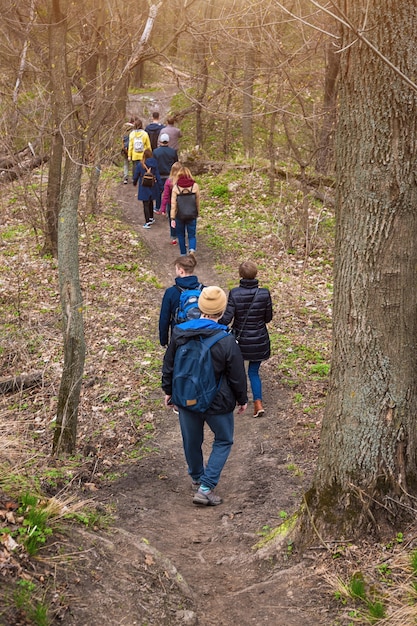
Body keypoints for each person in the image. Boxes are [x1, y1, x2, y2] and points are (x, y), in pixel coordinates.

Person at [162, 286, 248, 506]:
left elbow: (169, 364)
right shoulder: (226, 340)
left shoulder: (180, 332)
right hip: (217, 401)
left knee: (191, 440)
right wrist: (242, 399)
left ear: (200, 307)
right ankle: (206, 487)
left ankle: (197, 477)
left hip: (186, 396)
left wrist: (169, 390)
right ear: (222, 310)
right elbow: (237, 375)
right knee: (224, 439)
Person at [219, 261, 273, 418]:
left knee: (236, 371)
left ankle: (237, 400)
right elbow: (268, 318)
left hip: (240, 340)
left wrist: (213, 321)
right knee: (254, 372)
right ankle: (258, 403)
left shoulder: (235, 293)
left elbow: (227, 318)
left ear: (240, 275)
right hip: (259, 340)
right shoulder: (264, 293)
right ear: (256, 274)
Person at [159, 254, 203, 347]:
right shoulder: (204, 290)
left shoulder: (171, 292)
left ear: (181, 271)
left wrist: (164, 341)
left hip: (179, 337)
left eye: (176, 269)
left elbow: (164, 319)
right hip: (201, 336)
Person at [170, 165, 200, 255]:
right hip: (192, 213)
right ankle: (191, 249)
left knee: (181, 235)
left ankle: (183, 254)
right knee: (192, 235)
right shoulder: (195, 186)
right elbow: (197, 201)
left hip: (180, 215)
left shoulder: (176, 187)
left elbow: (173, 204)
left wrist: (172, 217)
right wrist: (197, 212)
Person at [133, 148, 162, 229]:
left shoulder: (140, 164)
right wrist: (161, 186)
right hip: (153, 185)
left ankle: (147, 221)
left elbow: (136, 175)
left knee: (145, 203)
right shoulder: (155, 164)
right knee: (151, 201)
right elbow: (158, 175)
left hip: (144, 185)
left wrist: (134, 182)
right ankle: (151, 218)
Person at [153, 133, 178, 214]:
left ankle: (157, 207)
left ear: (160, 141)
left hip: (159, 175)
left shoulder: (156, 152)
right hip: (170, 175)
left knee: (158, 192)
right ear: (168, 141)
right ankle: (169, 209)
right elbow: (176, 164)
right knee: (169, 193)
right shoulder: (173, 152)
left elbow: (154, 164)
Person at [160, 161, 182, 245]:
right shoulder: (182, 181)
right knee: (180, 220)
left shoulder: (169, 181)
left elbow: (165, 195)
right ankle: (181, 235)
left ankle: (173, 237)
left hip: (171, 204)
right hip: (181, 204)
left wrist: (163, 208)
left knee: (172, 220)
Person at [121, 119, 134, 183]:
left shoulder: (124, 130)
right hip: (132, 149)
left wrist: (123, 148)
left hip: (125, 149)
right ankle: (134, 177)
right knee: (134, 163)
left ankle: (125, 177)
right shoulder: (133, 131)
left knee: (126, 164)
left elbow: (122, 140)